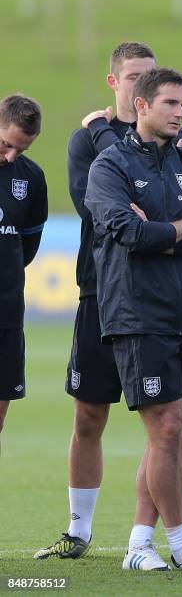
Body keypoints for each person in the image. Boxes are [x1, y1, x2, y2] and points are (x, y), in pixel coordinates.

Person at [34, 42, 182, 571]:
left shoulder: (180, 141)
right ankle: (79, 529)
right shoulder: (86, 143)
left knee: (174, 422)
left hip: (162, 297)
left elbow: (174, 213)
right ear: (115, 83)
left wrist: (156, 221)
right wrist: (164, 221)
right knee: (89, 414)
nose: (143, 86)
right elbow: (103, 208)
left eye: (151, 77)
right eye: (134, 77)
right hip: (100, 291)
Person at [84, 67, 182, 572]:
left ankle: (139, 543)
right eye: (170, 103)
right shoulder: (109, 165)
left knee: (171, 431)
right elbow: (127, 232)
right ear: (142, 105)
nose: (179, 113)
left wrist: (168, 230)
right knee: (167, 428)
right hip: (137, 311)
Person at [0, 94, 48, 452]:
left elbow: (27, 247)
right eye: (6, 144)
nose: (11, 155)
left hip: (7, 313)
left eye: (21, 149)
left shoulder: (31, 178)